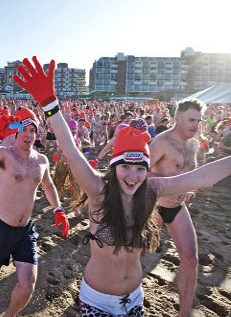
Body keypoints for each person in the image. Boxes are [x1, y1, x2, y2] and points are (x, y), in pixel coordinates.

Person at [13, 56, 231, 316]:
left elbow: (201, 177)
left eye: (141, 168)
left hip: (134, 300)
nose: (133, 175)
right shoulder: (98, 192)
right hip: (97, 302)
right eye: (125, 166)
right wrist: (50, 105)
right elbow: (71, 151)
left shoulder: (151, 191)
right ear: (114, 167)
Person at [0, 106, 69, 317]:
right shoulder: (5, 154)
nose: (28, 135)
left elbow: (49, 186)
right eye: (24, 130)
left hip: (25, 231)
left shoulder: (41, 160)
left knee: (28, 285)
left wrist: (58, 208)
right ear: (15, 133)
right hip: (0, 228)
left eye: (32, 130)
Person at [148, 99, 205, 317]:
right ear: (177, 118)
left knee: (191, 259)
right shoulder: (161, 142)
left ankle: (185, 312)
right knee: (131, 253)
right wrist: (169, 184)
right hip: (153, 206)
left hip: (178, 207)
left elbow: (191, 173)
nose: (195, 125)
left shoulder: (193, 144)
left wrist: (191, 187)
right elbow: (139, 173)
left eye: (198, 121)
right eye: (191, 120)